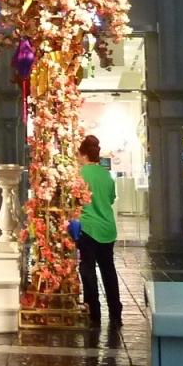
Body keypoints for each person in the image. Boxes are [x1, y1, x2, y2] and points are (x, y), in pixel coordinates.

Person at [75, 135, 122, 325]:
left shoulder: (80, 174)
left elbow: (75, 200)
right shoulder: (106, 175)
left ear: (83, 155)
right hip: (107, 228)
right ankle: (115, 312)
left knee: (88, 270)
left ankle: (94, 312)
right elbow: (110, 199)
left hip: (88, 228)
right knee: (108, 270)